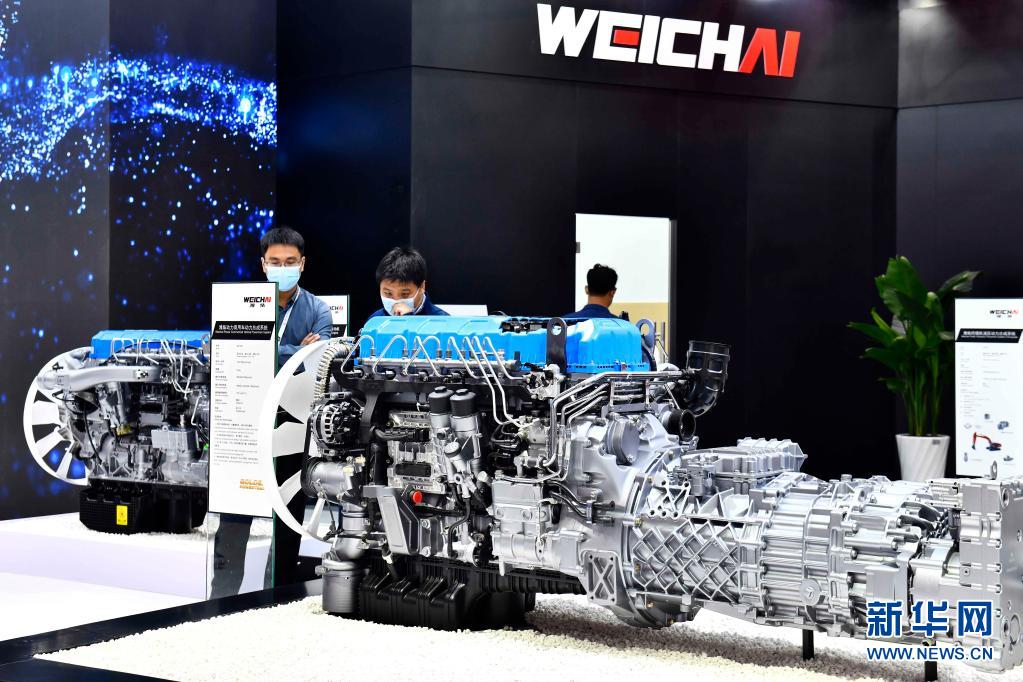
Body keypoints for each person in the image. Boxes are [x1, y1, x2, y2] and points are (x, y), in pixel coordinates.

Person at [210, 226, 332, 598]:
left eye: (290, 262)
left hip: (292, 426)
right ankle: (222, 597)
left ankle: (274, 597)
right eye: (275, 262)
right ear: (263, 264)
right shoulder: (239, 303)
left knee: (287, 512)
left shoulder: (318, 309)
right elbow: (228, 351)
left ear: (303, 264)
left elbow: (318, 361)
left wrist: (272, 349)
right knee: (235, 517)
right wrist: (292, 349)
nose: (283, 268)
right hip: (243, 422)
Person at [368, 247, 449, 318]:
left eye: (404, 294)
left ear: (422, 287)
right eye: (388, 293)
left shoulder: (442, 321)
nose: (396, 302)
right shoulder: (375, 320)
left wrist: (408, 319)